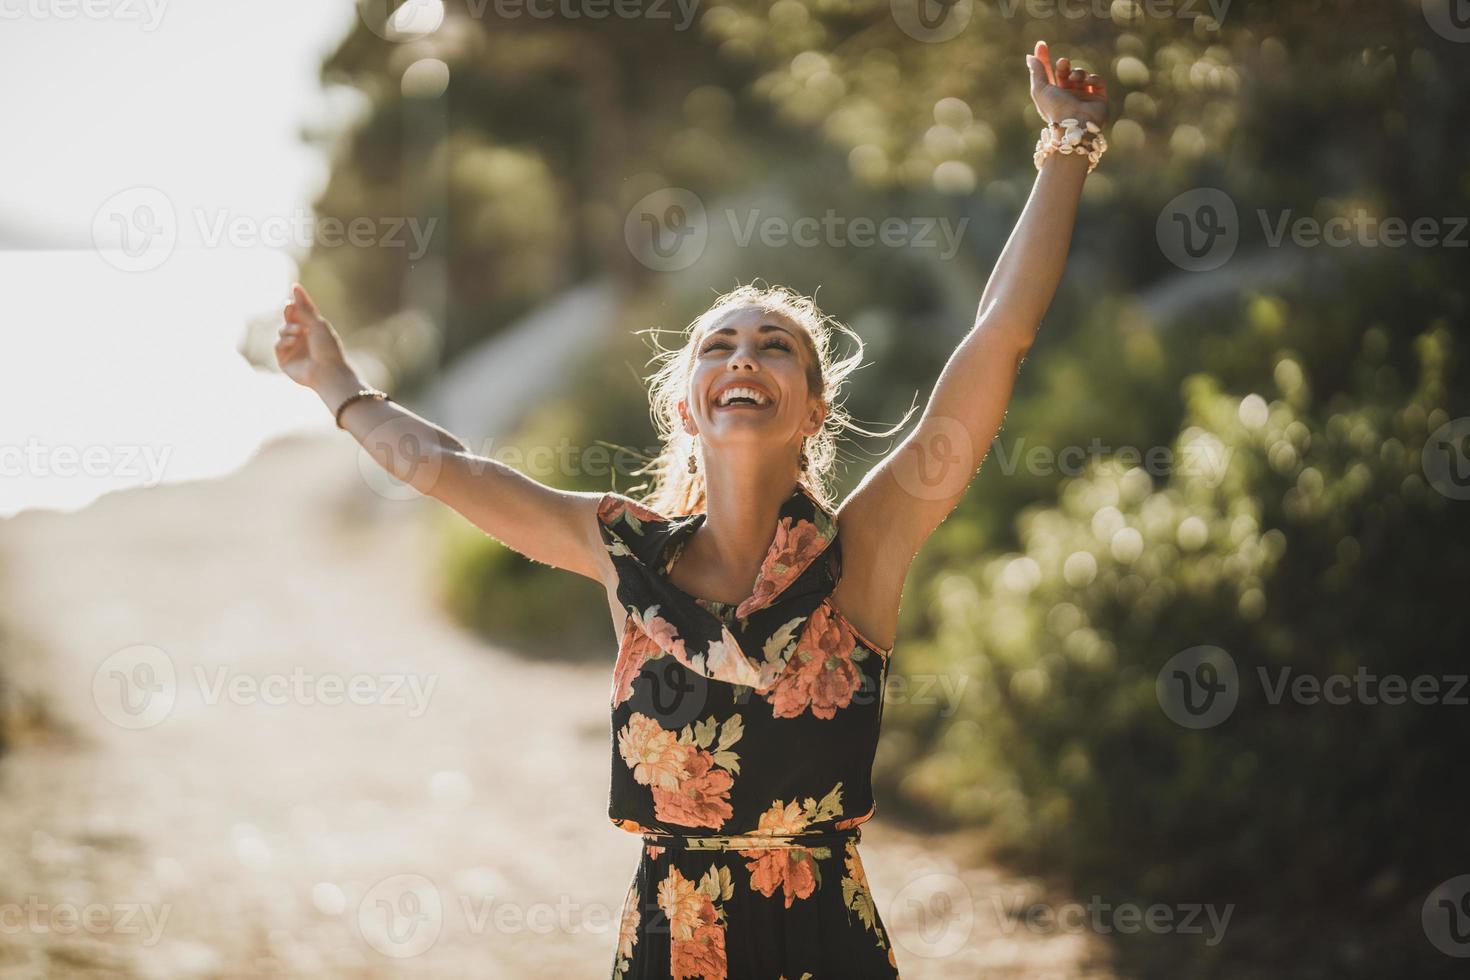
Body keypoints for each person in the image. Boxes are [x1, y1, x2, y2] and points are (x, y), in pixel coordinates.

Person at [275, 39, 1108, 980]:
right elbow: (450, 470)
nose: (744, 356)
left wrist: (1067, 143)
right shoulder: (621, 551)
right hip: (675, 947)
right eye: (718, 344)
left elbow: (996, 336)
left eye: (776, 346)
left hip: (823, 946)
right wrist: (338, 386)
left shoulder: (862, 551)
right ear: (686, 402)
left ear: (815, 407)